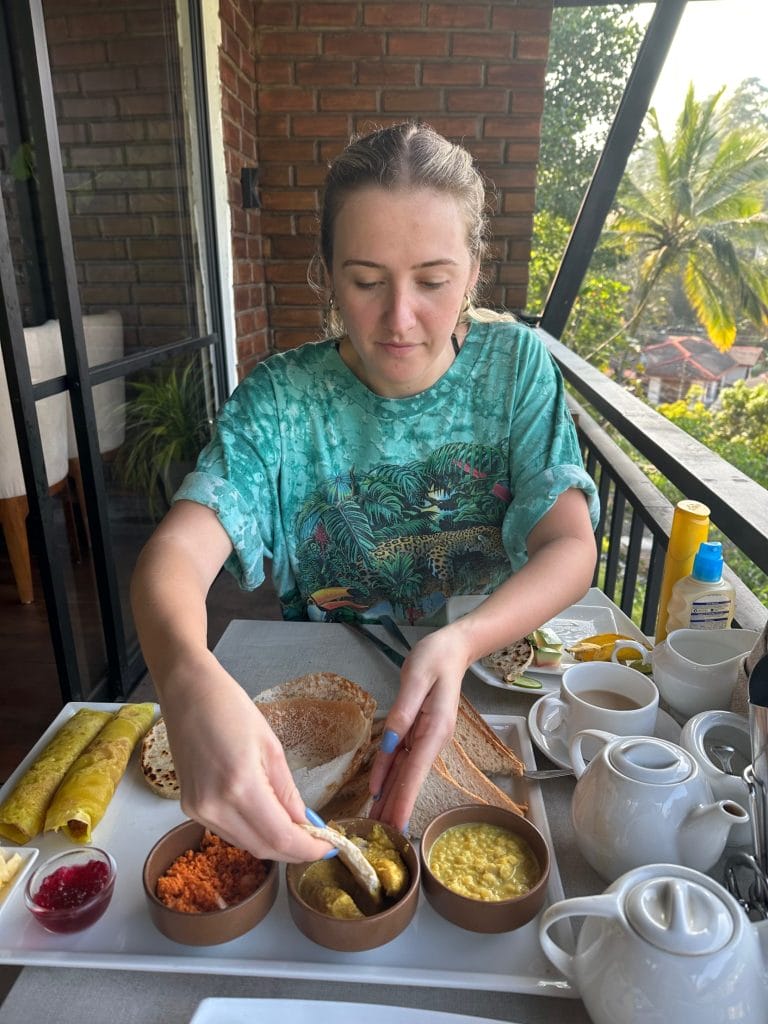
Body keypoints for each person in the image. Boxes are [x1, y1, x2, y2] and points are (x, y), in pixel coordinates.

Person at [131, 121, 599, 863]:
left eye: (434, 281)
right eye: (367, 280)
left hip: (489, 683)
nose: (401, 318)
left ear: (474, 270)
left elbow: (571, 545)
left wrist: (459, 641)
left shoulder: (517, 370)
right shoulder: (279, 399)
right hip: (323, 699)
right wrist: (185, 677)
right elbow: (177, 552)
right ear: (326, 271)